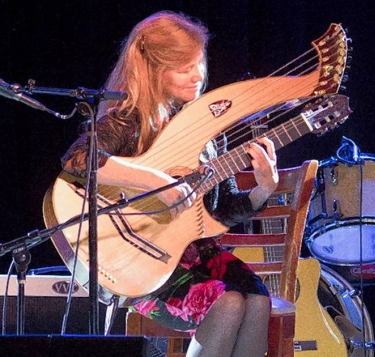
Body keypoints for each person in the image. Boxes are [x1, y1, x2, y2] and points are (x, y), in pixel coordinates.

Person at [61, 11, 277, 357]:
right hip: (141, 263)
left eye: (200, 63)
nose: (198, 76)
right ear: (154, 71)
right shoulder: (128, 121)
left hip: (196, 254)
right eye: (184, 67)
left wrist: (262, 191)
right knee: (227, 305)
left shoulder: (207, 131)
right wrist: (156, 181)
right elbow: (78, 162)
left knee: (256, 301)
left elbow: (220, 212)